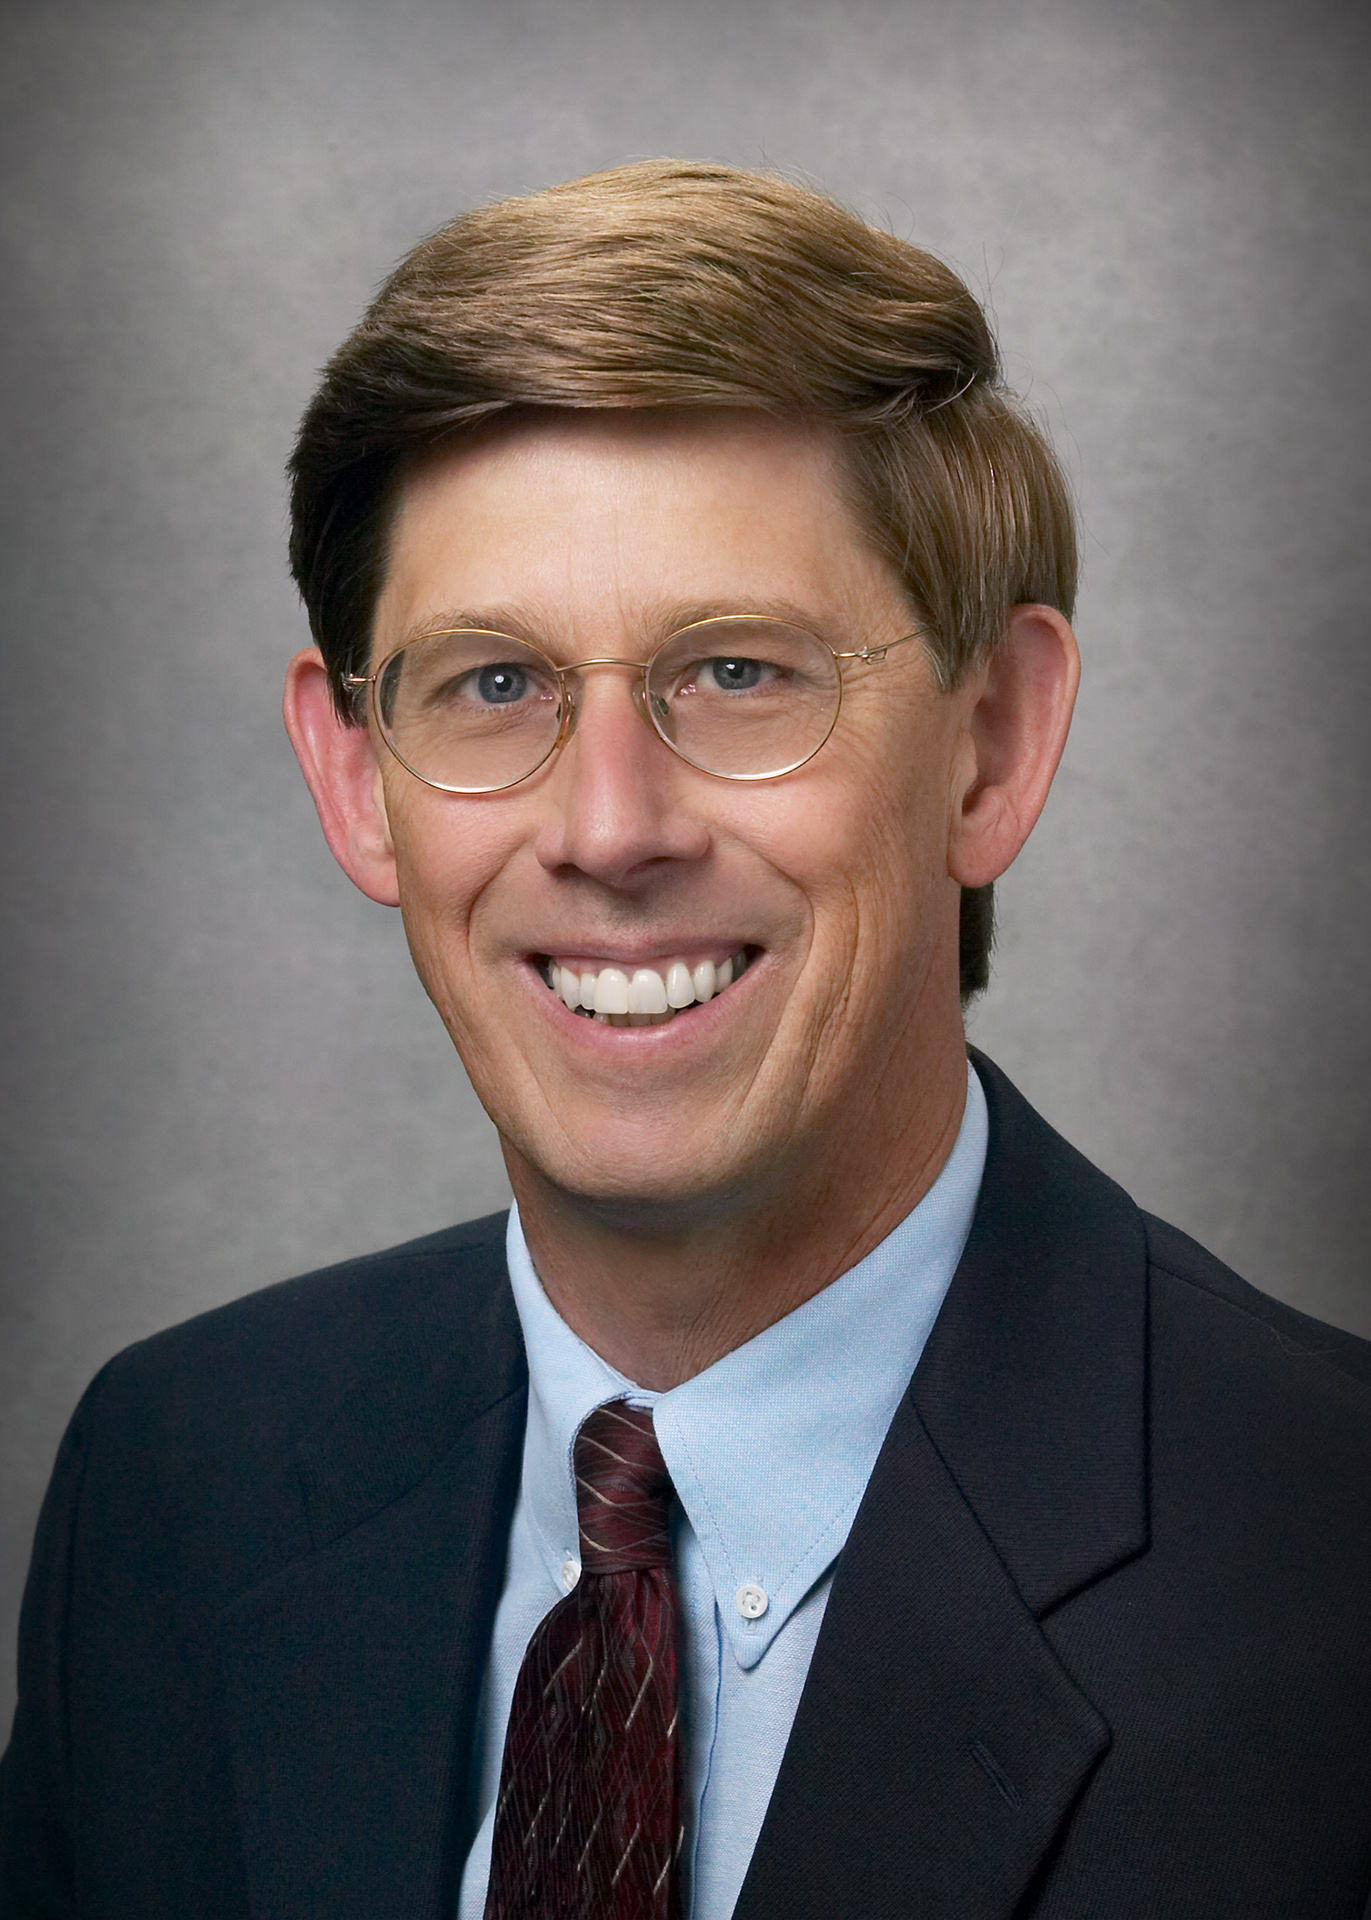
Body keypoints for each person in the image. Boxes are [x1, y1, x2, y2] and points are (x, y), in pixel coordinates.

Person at [2, 160, 1369, 1920]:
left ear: (993, 742)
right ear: (357, 781)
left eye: (737, 672)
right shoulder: (176, 1484)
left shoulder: (1333, 1576)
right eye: (492, 683)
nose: (608, 826)